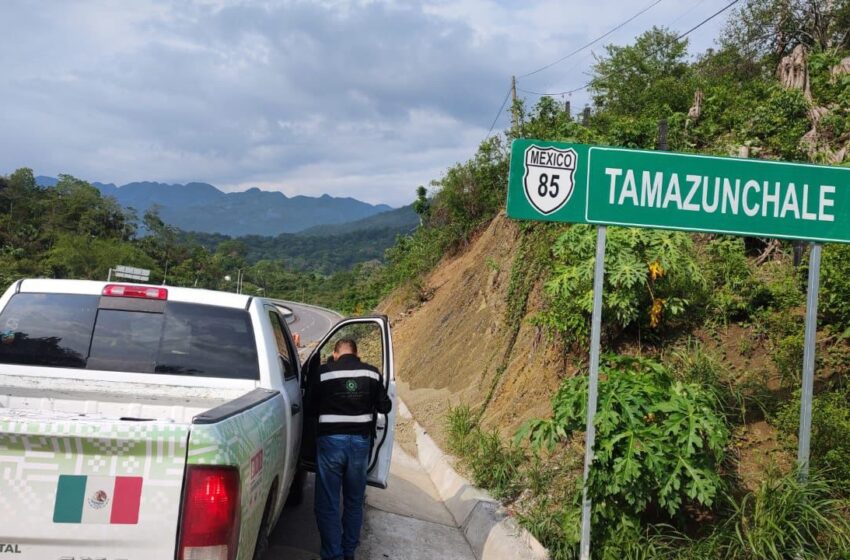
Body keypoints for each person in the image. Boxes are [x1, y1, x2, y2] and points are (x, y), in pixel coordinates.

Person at [307, 338, 392, 560]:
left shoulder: (323, 372)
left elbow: (309, 407)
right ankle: (348, 553)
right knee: (354, 502)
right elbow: (386, 406)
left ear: (335, 354)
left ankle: (333, 555)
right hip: (360, 445)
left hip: (331, 444)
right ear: (357, 354)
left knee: (328, 503)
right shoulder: (372, 373)